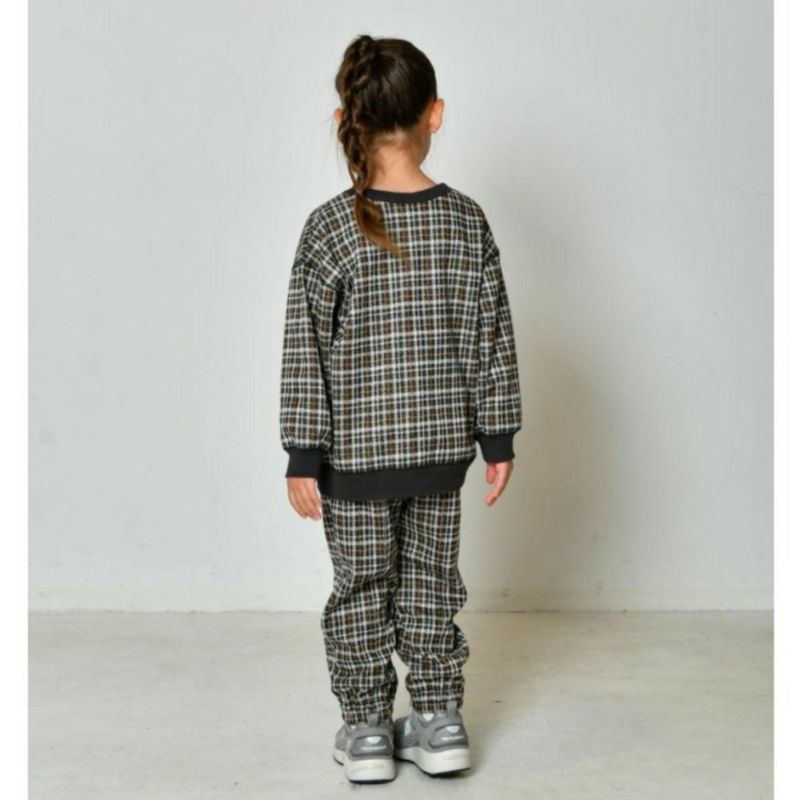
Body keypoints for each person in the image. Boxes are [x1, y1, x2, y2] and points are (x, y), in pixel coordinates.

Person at [279, 33, 523, 784]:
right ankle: (439, 720)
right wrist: (497, 436)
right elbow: (492, 336)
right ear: (434, 114)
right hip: (441, 454)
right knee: (431, 586)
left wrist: (302, 452)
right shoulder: (466, 220)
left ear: (346, 118)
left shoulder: (328, 227)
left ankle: (367, 732)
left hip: (354, 461)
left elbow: (304, 347)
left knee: (361, 588)